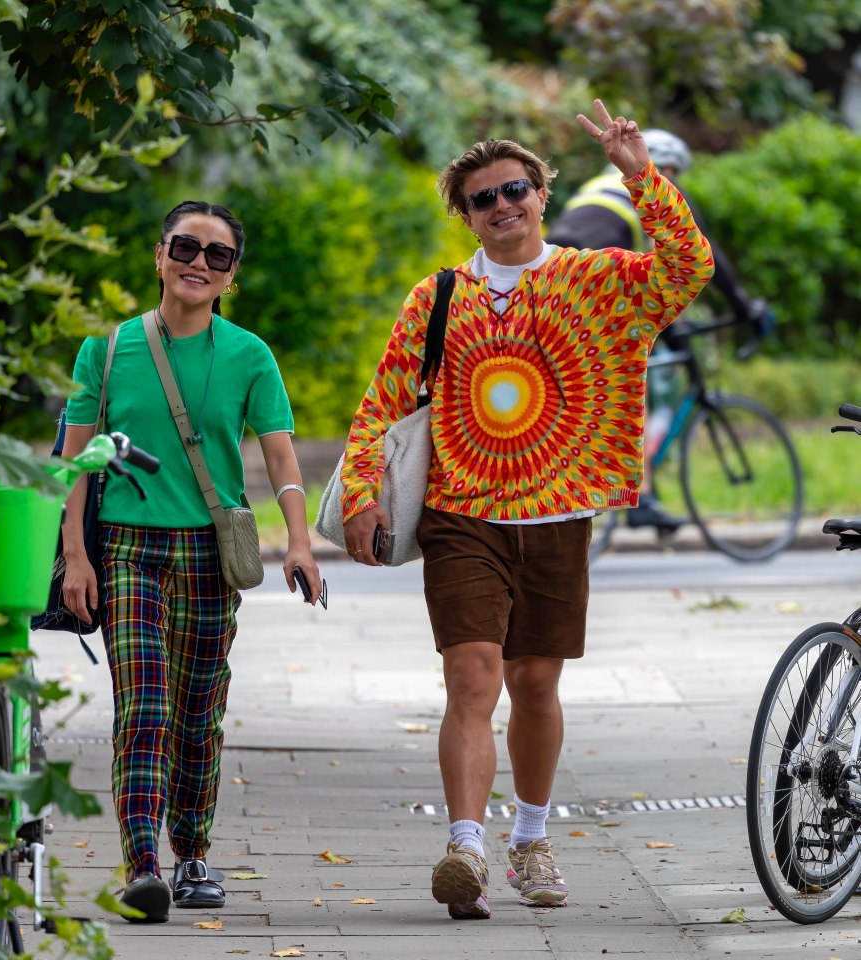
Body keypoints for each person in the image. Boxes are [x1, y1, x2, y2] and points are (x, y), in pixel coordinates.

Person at [339, 100, 714, 920]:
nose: (502, 205)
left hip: (558, 514)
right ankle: (466, 847)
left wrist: (639, 173)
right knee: (472, 676)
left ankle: (531, 839)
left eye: (515, 189)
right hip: (461, 513)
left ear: (541, 194)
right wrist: (362, 493)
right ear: (465, 214)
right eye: (483, 198)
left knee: (536, 684)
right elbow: (384, 402)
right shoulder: (437, 297)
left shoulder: (597, 281)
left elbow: (688, 267)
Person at [60, 200, 323, 923]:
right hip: (128, 549)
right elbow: (76, 463)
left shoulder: (249, 355)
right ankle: (143, 863)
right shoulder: (107, 351)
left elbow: (281, 461)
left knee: (199, 712)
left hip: (211, 554)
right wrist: (76, 555)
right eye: (186, 247)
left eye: (218, 256)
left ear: (232, 275)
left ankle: (194, 853)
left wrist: (299, 541)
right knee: (144, 707)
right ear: (159, 253)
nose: (199, 264)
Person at [547, 127, 767, 531]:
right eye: (673, 172)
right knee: (631, 375)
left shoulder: (598, 186)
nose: (674, 181)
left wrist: (667, 326)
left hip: (557, 278)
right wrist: (746, 309)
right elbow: (703, 254)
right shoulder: (651, 188)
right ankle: (641, 497)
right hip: (595, 283)